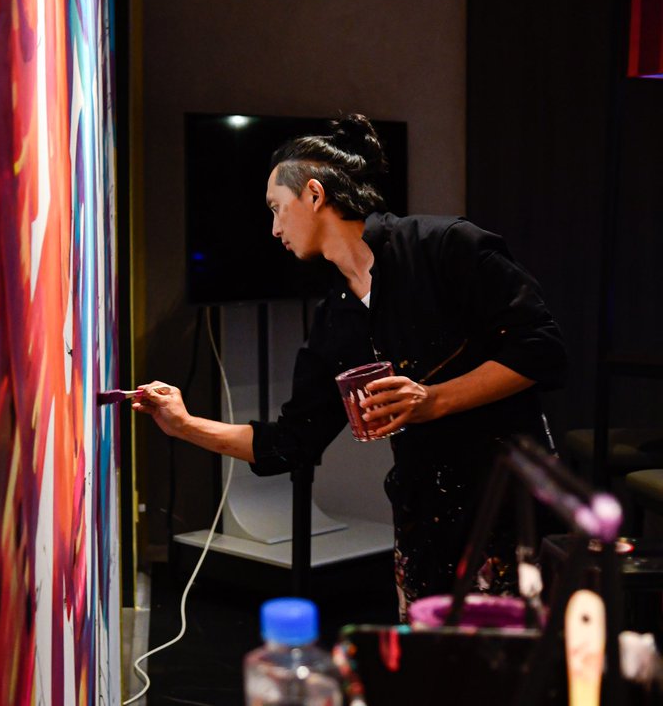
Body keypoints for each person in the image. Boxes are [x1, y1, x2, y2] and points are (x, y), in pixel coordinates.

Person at [133, 114, 566, 618]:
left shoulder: (445, 245)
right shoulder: (337, 319)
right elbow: (291, 442)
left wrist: (433, 400)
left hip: (511, 506)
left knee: (514, 660)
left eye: (277, 208)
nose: (274, 229)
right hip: (424, 520)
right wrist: (184, 425)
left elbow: (542, 349)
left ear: (314, 194)